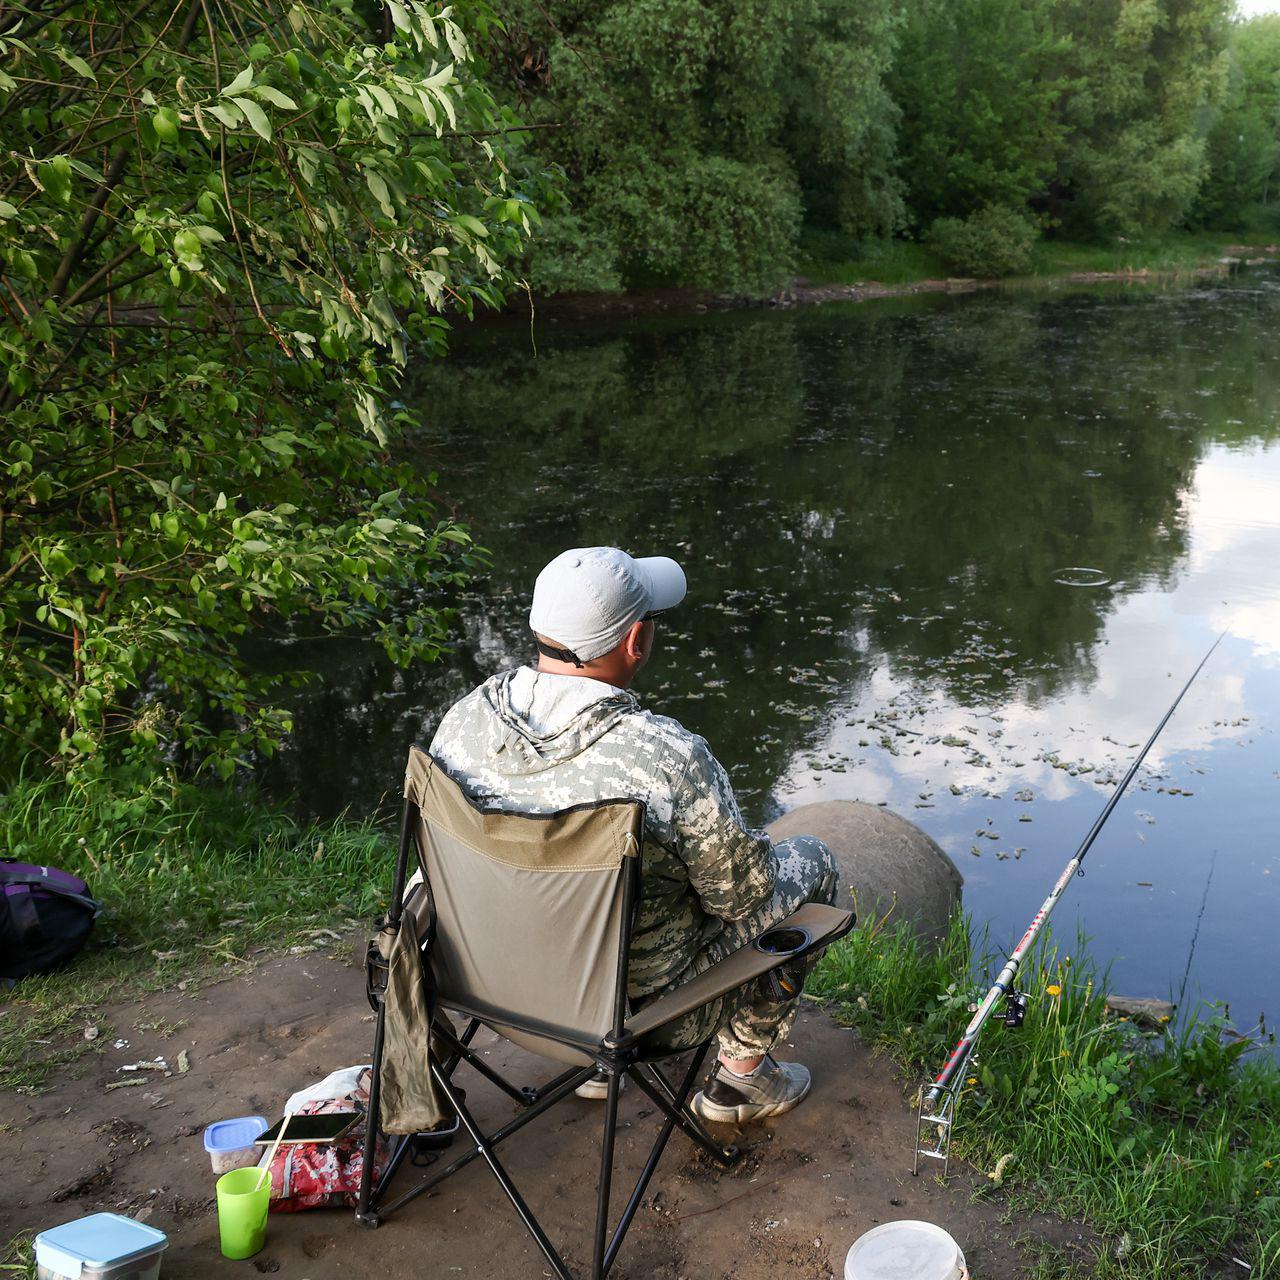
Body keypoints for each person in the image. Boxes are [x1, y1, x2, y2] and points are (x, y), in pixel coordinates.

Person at [429, 546, 840, 1124]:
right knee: (814, 865)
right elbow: (742, 898)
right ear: (635, 642)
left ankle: (597, 1072)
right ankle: (740, 1083)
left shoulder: (464, 719)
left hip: (481, 985)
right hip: (629, 1018)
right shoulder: (666, 757)